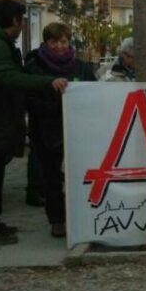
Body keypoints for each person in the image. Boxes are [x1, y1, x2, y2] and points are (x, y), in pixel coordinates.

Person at [0, 0, 67, 244]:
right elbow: (7, 78)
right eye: (23, 19)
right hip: (22, 126)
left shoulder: (3, 44)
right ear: (15, 20)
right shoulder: (2, 47)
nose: (24, 24)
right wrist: (48, 85)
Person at [24, 22, 96, 238]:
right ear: (46, 43)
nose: (59, 46)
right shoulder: (34, 68)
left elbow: (93, 93)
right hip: (46, 131)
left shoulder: (81, 67)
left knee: (78, 175)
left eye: (63, 41)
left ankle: (80, 216)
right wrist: (56, 97)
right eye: (54, 42)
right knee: (52, 178)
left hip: (78, 130)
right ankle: (57, 220)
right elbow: (29, 98)